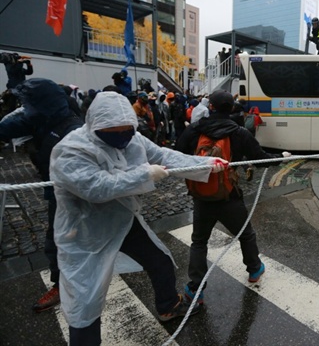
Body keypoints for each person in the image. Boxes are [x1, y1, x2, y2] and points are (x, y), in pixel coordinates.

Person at [49, 91, 227, 345]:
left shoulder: (133, 139)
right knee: (85, 298)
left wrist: (208, 163)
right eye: (114, 131)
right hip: (85, 231)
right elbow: (96, 188)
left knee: (161, 260)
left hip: (122, 220)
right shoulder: (71, 149)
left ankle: (168, 305)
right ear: (96, 126)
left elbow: (165, 157)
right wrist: (144, 175)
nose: (122, 136)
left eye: (127, 130)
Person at [176, 90, 291, 305]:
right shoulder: (239, 133)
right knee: (245, 234)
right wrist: (281, 158)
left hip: (201, 195)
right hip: (228, 196)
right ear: (231, 109)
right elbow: (260, 159)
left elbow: (178, 152)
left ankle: (195, 289)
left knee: (199, 242)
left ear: (210, 107)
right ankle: (254, 269)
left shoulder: (195, 130)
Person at [0, 78, 84, 313]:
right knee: (56, 241)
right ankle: (61, 284)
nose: (25, 108)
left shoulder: (73, 128)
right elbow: (5, 127)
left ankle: (77, 287)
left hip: (75, 197)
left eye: (28, 103)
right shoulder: (39, 119)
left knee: (75, 241)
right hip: (56, 192)